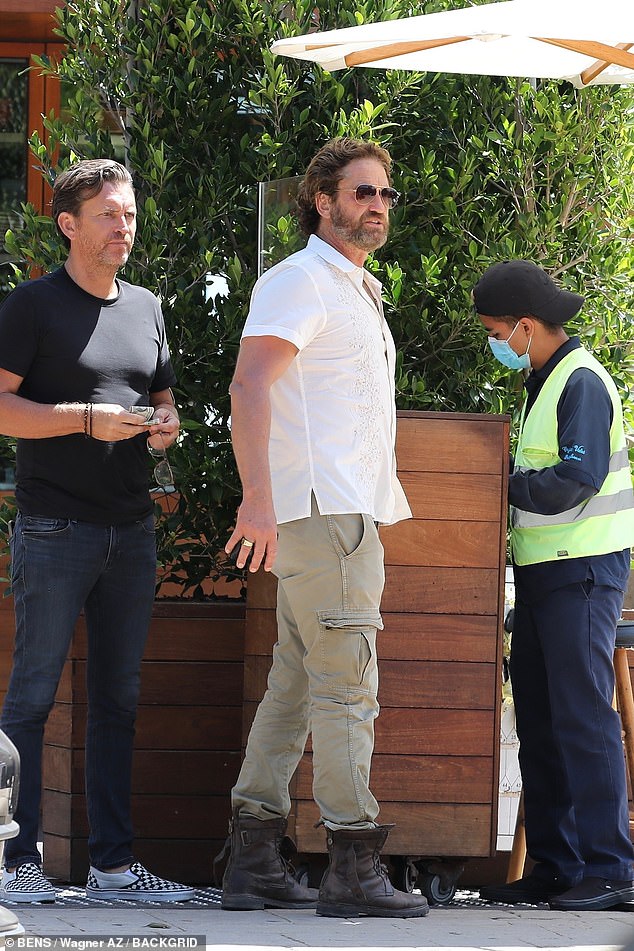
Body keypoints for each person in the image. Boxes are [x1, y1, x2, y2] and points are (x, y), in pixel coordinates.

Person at [221, 137, 428, 919]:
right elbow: (249, 386)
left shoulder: (351, 286)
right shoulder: (302, 280)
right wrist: (257, 500)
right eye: (362, 192)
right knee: (348, 688)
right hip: (326, 514)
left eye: (385, 194)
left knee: (300, 684)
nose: (377, 205)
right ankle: (352, 865)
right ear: (322, 200)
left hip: (336, 512)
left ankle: (254, 858)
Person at [0, 159, 194, 904]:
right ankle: (14, 863)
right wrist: (84, 419)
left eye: (130, 213)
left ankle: (114, 867)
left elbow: (164, 400)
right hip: (54, 527)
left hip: (131, 529)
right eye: (109, 214)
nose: (124, 226)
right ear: (68, 224)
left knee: (119, 701)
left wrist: (164, 426)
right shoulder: (31, 306)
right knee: (30, 699)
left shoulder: (146, 307)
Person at [474, 260, 634, 911]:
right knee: (541, 721)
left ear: (525, 325)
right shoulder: (543, 382)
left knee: (584, 718)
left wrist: (496, 485)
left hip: (582, 572)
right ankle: (558, 864)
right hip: (546, 575)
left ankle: (612, 868)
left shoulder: (581, 382)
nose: (496, 344)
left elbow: (576, 479)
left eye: (496, 333)